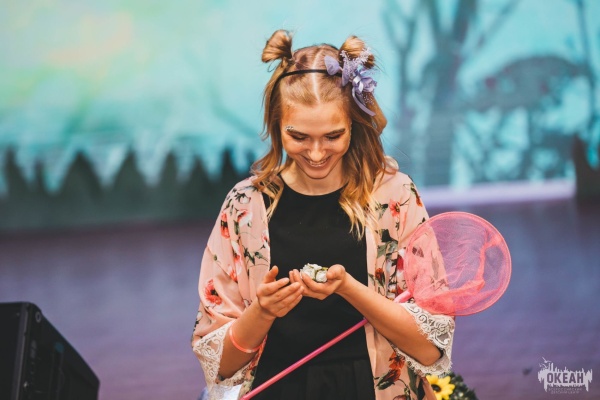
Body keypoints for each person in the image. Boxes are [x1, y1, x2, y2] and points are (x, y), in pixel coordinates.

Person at [191, 29, 454, 400]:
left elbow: (430, 349)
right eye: (298, 137)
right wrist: (262, 311)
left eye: (332, 136)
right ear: (277, 126)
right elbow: (220, 366)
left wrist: (349, 288)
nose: (316, 154)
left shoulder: (394, 197)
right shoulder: (244, 206)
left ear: (354, 124)